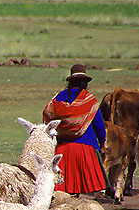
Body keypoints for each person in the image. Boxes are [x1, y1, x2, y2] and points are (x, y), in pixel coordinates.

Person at [42, 63, 107, 195]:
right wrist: (102, 142)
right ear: (85, 83)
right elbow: (99, 126)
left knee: (61, 191)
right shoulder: (89, 100)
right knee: (87, 192)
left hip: (61, 149)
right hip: (85, 148)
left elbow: (47, 115)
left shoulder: (57, 98)